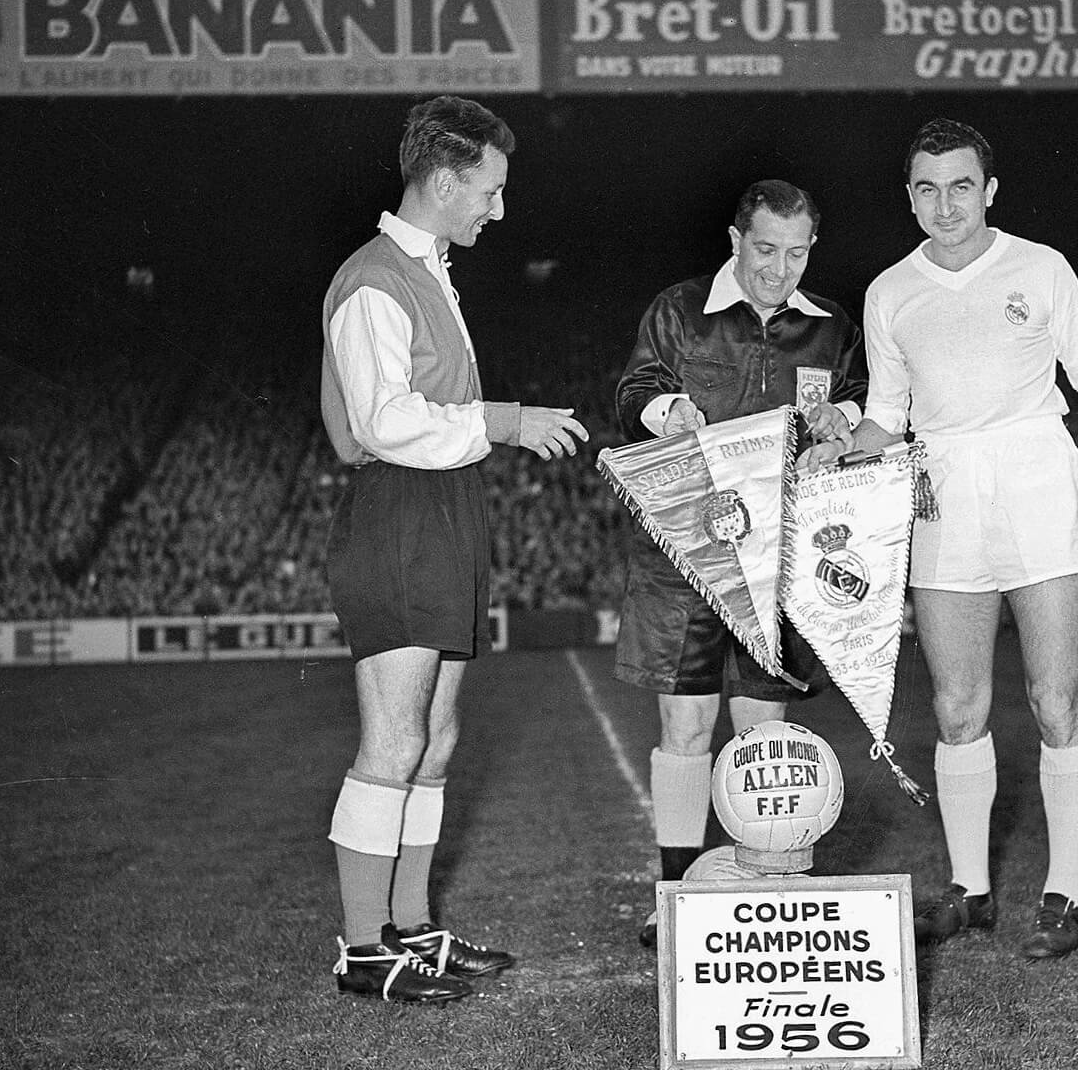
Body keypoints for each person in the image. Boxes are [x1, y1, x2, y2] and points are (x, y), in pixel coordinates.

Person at [805, 118, 1078, 959]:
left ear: (990, 191)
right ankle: (969, 890)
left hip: (1037, 483)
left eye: (961, 185)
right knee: (957, 706)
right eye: (927, 189)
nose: (945, 204)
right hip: (942, 495)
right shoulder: (891, 290)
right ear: (909, 197)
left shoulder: (1041, 268)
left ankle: (1064, 892)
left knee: (1056, 701)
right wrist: (833, 446)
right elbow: (888, 419)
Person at [320, 95, 588, 1003]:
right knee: (391, 741)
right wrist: (506, 421)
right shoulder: (373, 280)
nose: (497, 210)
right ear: (444, 181)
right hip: (398, 513)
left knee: (434, 740)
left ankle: (412, 929)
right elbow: (383, 422)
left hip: (445, 511)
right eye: (489, 190)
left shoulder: (428, 270)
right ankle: (364, 948)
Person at [614, 179, 867, 948]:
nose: (778, 270)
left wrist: (843, 417)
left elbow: (863, 396)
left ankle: (768, 890)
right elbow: (637, 388)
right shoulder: (679, 311)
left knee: (764, 736)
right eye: (764, 250)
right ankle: (676, 897)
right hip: (684, 557)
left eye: (796, 253)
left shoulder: (830, 327)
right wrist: (669, 412)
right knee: (685, 727)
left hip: (781, 562)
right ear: (734, 240)